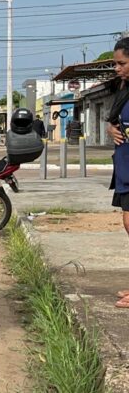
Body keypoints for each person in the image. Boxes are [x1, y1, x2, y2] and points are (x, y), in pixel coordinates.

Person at [104, 37, 129, 309]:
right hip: (124, 168)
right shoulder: (124, 89)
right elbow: (114, 120)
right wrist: (111, 128)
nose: (116, 68)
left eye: (121, 63)